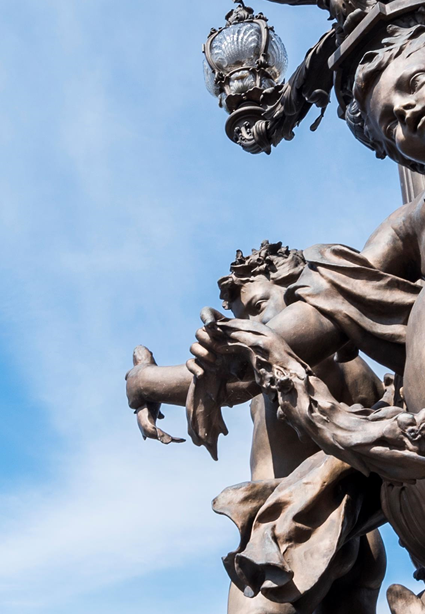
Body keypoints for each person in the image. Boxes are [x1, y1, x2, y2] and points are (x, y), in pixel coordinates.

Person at [178, 14, 425, 614]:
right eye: (390, 121)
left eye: (415, 84)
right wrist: (234, 353)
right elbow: (337, 300)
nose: (406, 112)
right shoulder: (418, 211)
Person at [128, 241, 386, 614]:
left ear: (298, 287)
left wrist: (141, 381)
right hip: (360, 537)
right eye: (243, 318)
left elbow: (224, 379)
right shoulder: (353, 363)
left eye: (259, 306)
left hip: (287, 532)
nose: (253, 325)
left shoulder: (284, 354)